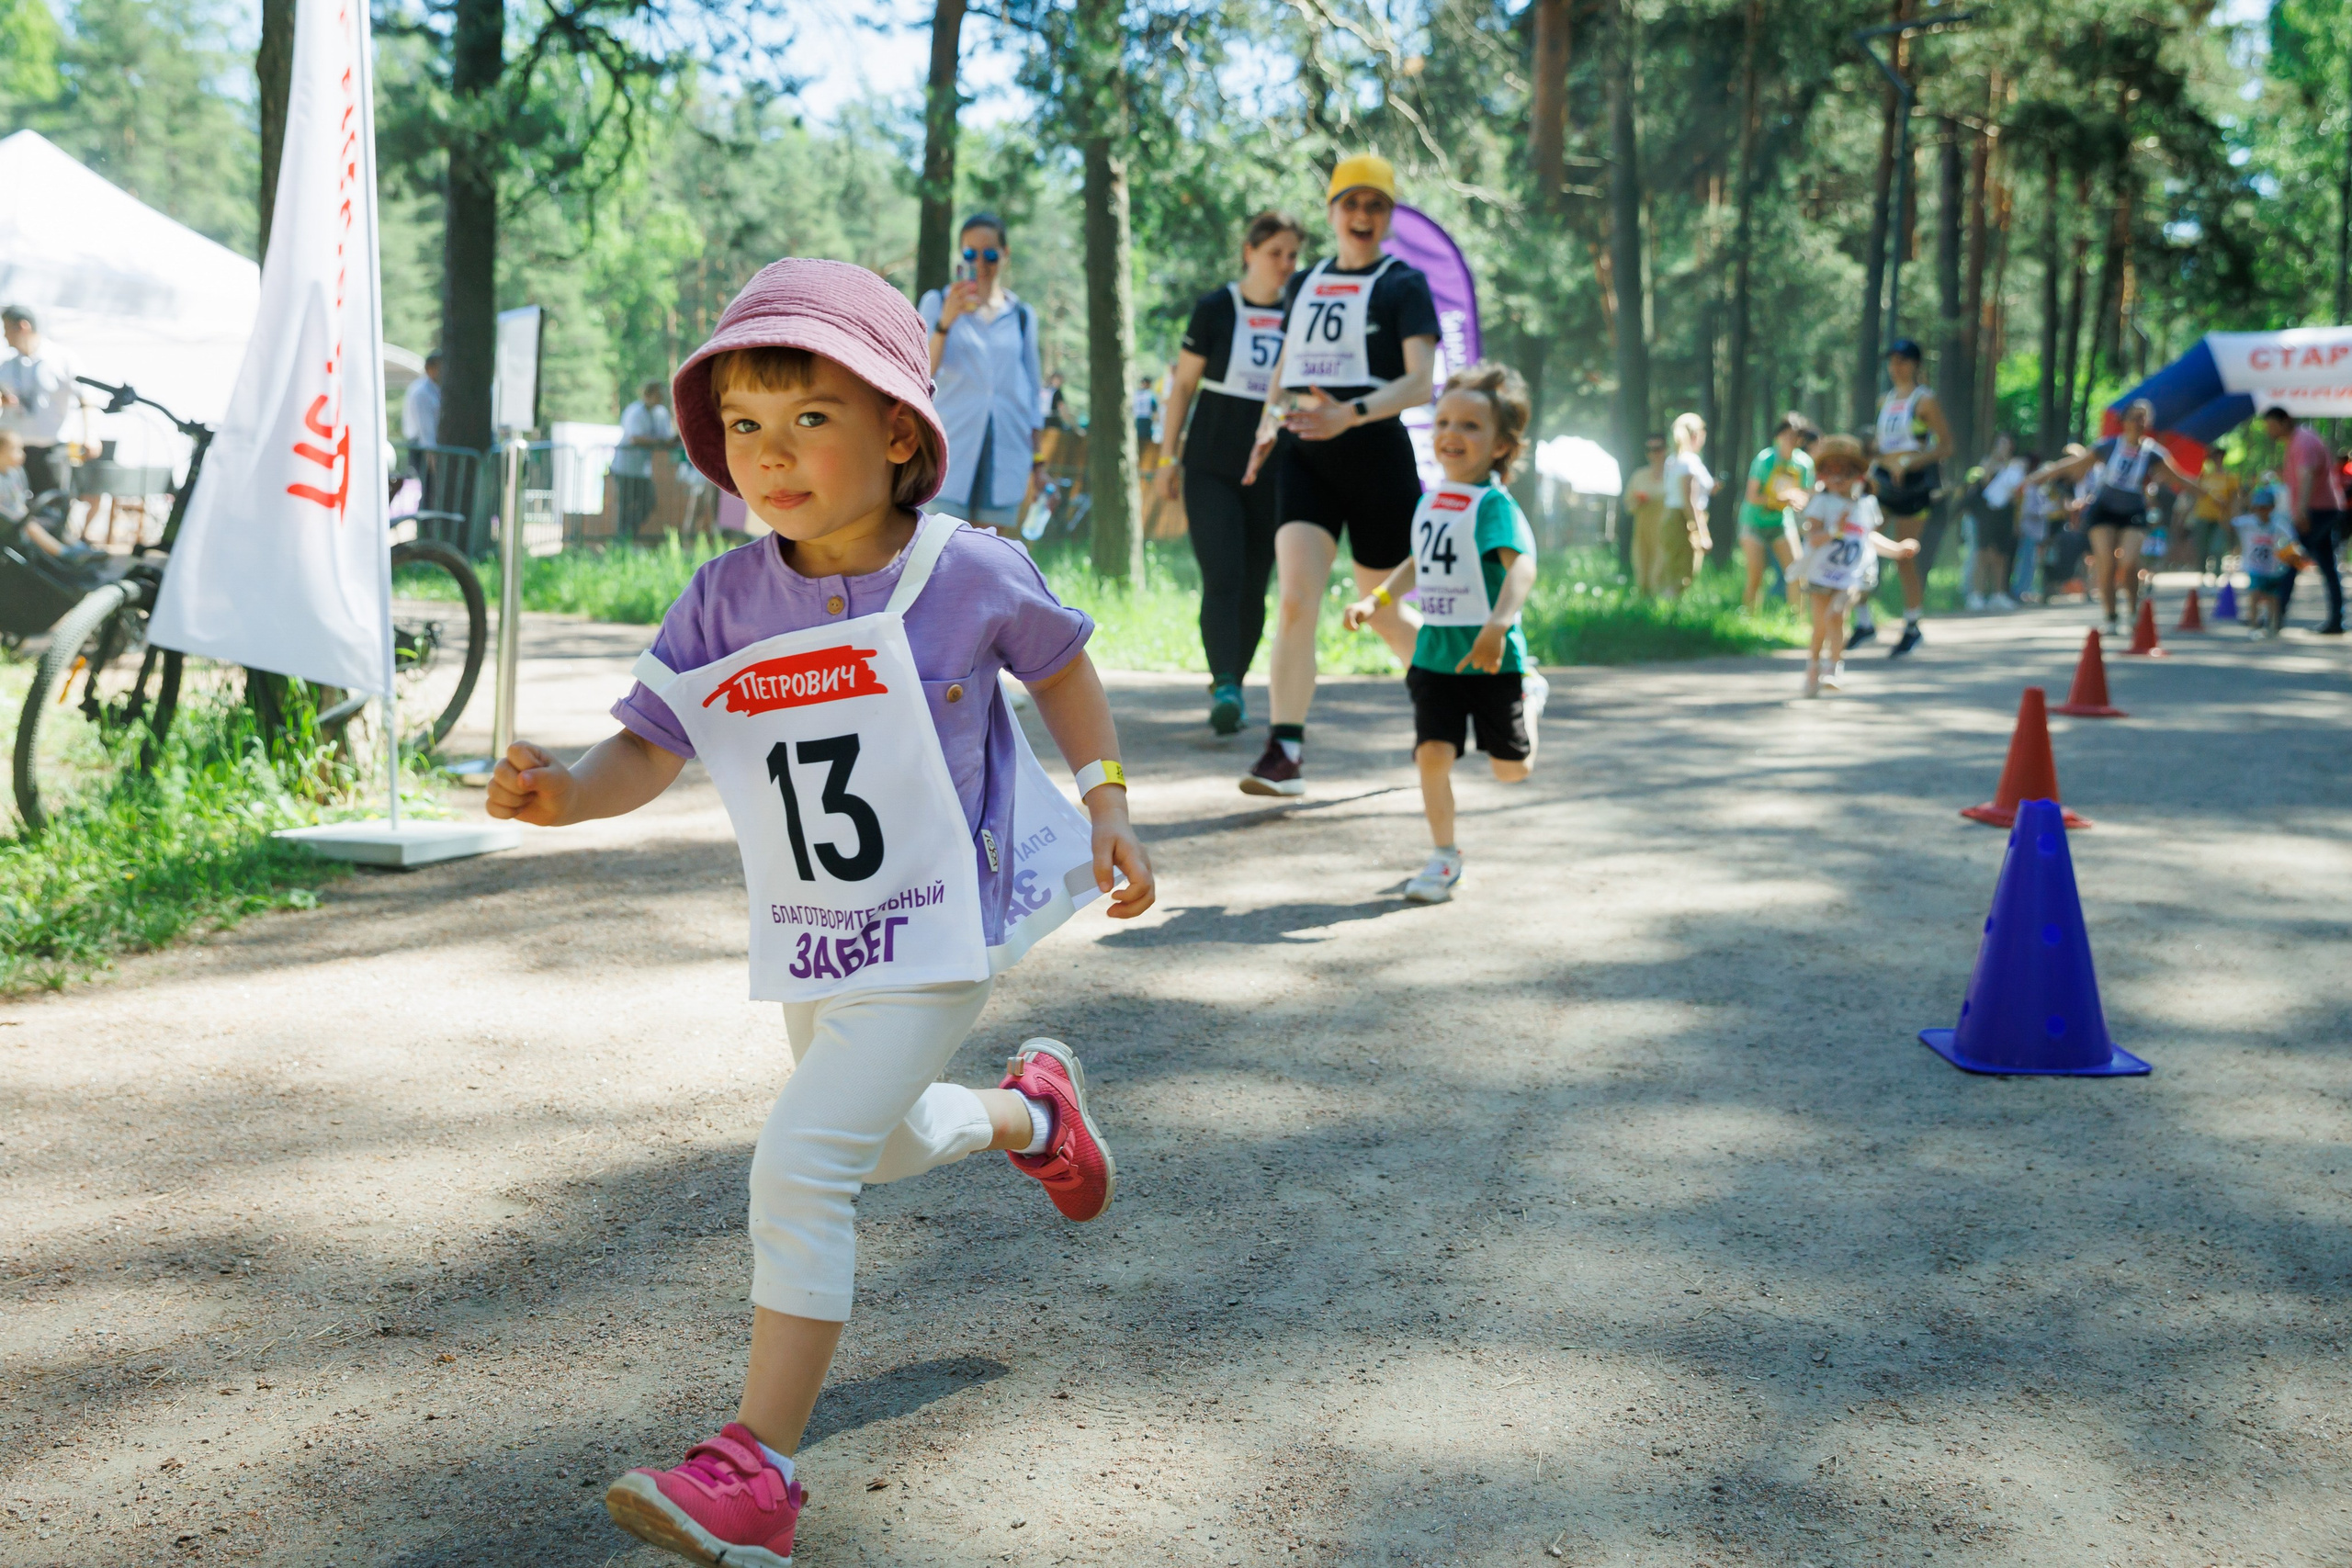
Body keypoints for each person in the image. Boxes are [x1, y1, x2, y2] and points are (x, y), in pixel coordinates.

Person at [484, 260, 1152, 1566]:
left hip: (939, 928)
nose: (769, 456)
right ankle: (1033, 1112)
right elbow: (646, 746)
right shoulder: (723, 599)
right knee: (883, 1144)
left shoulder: (970, 571)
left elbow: (1063, 662)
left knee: (798, 1161)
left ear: (898, 432)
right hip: (816, 930)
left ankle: (759, 1471)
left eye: (808, 420)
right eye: (744, 426)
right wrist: (563, 793)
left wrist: (1110, 794)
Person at [1236, 152, 1440, 796]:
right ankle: (1284, 749)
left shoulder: (1403, 284)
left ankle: (1457, 691)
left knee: (1379, 612)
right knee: (1296, 599)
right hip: (1305, 457)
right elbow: (1288, 366)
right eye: (1350, 203)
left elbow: (1419, 382)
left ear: (1388, 218)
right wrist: (1267, 429)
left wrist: (1350, 414)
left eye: (1374, 205)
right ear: (1331, 212)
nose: (1361, 215)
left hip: (1377, 455)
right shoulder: (1307, 281)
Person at [1340, 362, 1542, 904]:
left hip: (1490, 654)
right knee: (1432, 753)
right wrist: (1376, 598)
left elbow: (1521, 567)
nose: (1452, 433)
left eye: (1472, 426)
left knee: (1512, 771)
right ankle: (1444, 857)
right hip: (1435, 653)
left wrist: (1499, 625)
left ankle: (1530, 693)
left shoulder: (1494, 505)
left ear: (1502, 446)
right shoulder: (1431, 499)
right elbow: (1419, 561)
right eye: (1445, 421)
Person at [1158, 209, 1306, 734]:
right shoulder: (1215, 309)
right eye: (1275, 254)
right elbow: (1182, 388)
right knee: (1223, 574)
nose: (1286, 265)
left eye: (1293, 255)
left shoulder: (1302, 313)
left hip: (1275, 467)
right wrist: (1165, 458)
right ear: (1249, 251)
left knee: (1256, 582)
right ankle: (1223, 681)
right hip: (1211, 463)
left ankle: (1235, 685)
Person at [2024, 399, 2206, 632]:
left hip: (2133, 512)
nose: (2139, 422)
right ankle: (2110, 616)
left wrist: (2206, 493)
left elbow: (2177, 477)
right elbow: (2075, 463)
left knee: (2129, 563)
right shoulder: (2108, 446)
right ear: (2125, 421)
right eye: (2134, 417)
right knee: (2106, 564)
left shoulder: (2153, 453)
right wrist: (2043, 474)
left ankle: (2131, 611)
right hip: (2104, 510)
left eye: (2143, 418)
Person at [920, 213, 1044, 536]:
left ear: (1005, 254)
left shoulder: (1022, 316)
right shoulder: (937, 303)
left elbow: (1032, 389)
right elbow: (919, 373)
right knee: (941, 552)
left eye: (990, 253)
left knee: (991, 559)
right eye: (970, 253)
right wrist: (946, 322)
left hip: (1006, 449)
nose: (980, 262)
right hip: (952, 448)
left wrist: (1039, 459)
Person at [1794, 434, 1918, 697]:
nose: (1838, 478)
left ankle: (1833, 667)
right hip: (1820, 573)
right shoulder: (1820, 503)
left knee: (1836, 615)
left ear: (1858, 475)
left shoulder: (1866, 505)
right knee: (1820, 627)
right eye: (1831, 471)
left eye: (1845, 472)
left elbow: (1867, 537)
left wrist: (1897, 550)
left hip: (1850, 574)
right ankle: (1813, 667)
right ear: (1822, 475)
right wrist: (1834, 530)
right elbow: (1813, 538)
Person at [1868, 339, 1952, 657]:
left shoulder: (1924, 401)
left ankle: (1912, 624)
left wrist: (1910, 463)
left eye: (1902, 360)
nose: (1896, 367)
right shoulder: (1884, 400)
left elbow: (1946, 445)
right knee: (1864, 540)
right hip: (1884, 480)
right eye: (1892, 361)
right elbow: (1881, 444)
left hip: (1914, 485)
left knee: (1905, 556)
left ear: (1915, 364)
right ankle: (1863, 620)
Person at [2261, 406, 2346, 635]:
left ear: (2284, 421)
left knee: (2290, 558)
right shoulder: (2297, 440)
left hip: (2316, 510)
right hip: (2319, 509)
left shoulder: (2303, 441)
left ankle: (2275, 615)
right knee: (2327, 565)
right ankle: (2336, 620)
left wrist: (2301, 512)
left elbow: (2306, 475)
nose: (2269, 430)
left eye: (2271, 425)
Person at [1738, 412, 1815, 611]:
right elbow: (1751, 497)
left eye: (1797, 437)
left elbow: (1807, 493)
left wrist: (1800, 500)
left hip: (1782, 524)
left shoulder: (1804, 463)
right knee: (1756, 577)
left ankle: (1796, 621)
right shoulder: (1764, 460)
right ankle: (1749, 620)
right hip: (1753, 523)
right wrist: (1779, 498)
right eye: (1788, 435)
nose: (1792, 440)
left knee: (1797, 573)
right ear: (1778, 435)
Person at [0, 305, 79, 500]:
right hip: (14, 452)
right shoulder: (7, 364)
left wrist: (90, 434)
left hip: (51, 450)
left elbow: (86, 397)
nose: (4, 336)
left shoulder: (61, 358)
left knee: (51, 506)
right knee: (16, 506)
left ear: (23, 327)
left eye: (7, 329)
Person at [612, 379, 677, 544]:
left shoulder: (660, 413)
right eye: (658, 394)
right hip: (625, 467)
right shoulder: (635, 411)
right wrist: (661, 442)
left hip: (642, 469)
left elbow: (665, 438)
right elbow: (636, 438)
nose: (661, 397)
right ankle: (622, 539)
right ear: (648, 394)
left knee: (648, 502)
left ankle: (629, 534)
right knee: (626, 505)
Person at [1966, 432, 2025, 612]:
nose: (2003, 447)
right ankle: (1977, 594)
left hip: (2005, 514)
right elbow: (1984, 482)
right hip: (1986, 514)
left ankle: (1999, 594)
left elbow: (2018, 493)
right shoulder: (1987, 463)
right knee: (1982, 554)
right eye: (2000, 444)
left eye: (2006, 444)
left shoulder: (2016, 465)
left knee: (2002, 556)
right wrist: (1993, 463)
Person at [1657, 412, 1713, 601]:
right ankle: (1669, 620)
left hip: (1671, 518)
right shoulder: (1689, 461)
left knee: (1674, 570)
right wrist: (1703, 533)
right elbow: (1690, 502)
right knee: (1681, 574)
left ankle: (1667, 616)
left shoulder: (1673, 460)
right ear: (1696, 435)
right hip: (1683, 521)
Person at [2232, 482, 2294, 637]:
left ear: (2272, 508)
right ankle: (2254, 625)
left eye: (2265, 507)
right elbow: (2230, 522)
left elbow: (2291, 541)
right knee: (2254, 594)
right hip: (2254, 567)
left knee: (2273, 598)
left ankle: (2273, 625)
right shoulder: (2247, 523)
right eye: (2258, 507)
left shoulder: (2279, 525)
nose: (2262, 511)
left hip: (2273, 569)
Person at [1623, 433, 1669, 594]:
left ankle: (1663, 610)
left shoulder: (1673, 475)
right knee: (1642, 571)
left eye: (1658, 448)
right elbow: (1628, 506)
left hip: (1666, 532)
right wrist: (1638, 501)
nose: (1653, 453)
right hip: (1643, 532)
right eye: (1649, 449)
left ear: (1666, 450)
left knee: (1661, 573)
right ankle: (1644, 612)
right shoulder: (1639, 475)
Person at [401, 349, 444, 457]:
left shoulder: (435, 390)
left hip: (429, 446)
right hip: (422, 448)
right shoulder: (422, 392)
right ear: (430, 368)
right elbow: (426, 430)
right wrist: (431, 458)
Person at [1132, 377, 1159, 458]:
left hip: (1138, 421)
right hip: (1146, 421)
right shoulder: (1150, 395)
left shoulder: (1136, 394)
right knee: (1147, 443)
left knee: (1138, 442)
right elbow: (1155, 411)